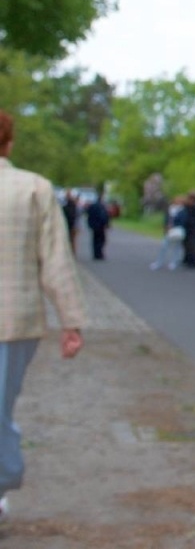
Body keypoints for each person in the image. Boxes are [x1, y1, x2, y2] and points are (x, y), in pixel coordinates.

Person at [0, 109, 85, 522]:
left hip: (14, 320)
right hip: (13, 319)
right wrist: (70, 320)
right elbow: (55, 260)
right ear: (9, 143)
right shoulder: (33, 189)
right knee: (1, 407)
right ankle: (4, 477)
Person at [151, 200, 185, 271]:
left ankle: (174, 262)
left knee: (177, 247)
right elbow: (166, 219)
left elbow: (183, 221)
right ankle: (159, 262)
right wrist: (166, 226)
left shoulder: (182, 211)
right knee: (164, 246)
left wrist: (174, 225)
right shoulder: (170, 209)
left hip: (177, 230)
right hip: (169, 231)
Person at [84, 191, 111, 261]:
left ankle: (96, 253)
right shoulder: (101, 207)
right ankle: (99, 254)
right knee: (101, 240)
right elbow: (104, 217)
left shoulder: (93, 206)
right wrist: (106, 224)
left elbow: (88, 215)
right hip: (100, 226)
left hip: (94, 226)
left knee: (95, 240)